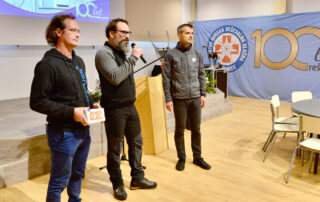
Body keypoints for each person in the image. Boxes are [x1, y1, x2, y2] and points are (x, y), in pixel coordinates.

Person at [30, 14, 100, 202]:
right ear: (58, 32)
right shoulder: (47, 65)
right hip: (63, 134)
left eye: (78, 31)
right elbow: (37, 101)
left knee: (78, 174)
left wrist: (92, 102)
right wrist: (72, 112)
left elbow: (83, 89)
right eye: (73, 30)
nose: (78, 34)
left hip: (83, 130)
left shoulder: (78, 62)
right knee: (59, 181)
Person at [95, 18, 157, 201]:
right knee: (115, 149)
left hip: (130, 106)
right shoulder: (103, 54)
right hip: (114, 109)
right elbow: (115, 77)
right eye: (122, 33)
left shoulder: (123, 53)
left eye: (128, 33)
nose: (127, 37)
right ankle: (118, 184)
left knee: (137, 142)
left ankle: (137, 178)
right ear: (111, 34)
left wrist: (130, 58)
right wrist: (133, 58)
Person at [162, 23, 211, 171]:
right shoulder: (171, 55)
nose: (190, 36)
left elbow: (201, 74)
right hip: (179, 98)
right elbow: (166, 79)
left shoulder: (197, 54)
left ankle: (197, 157)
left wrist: (203, 94)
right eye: (187, 33)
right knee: (180, 130)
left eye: (192, 33)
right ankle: (181, 158)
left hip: (195, 97)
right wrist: (168, 98)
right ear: (179, 35)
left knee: (196, 129)